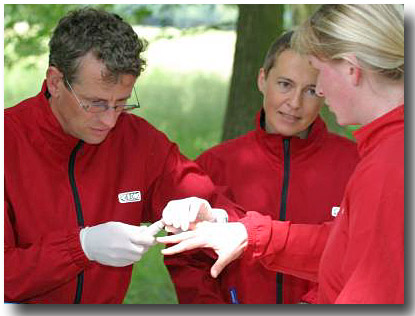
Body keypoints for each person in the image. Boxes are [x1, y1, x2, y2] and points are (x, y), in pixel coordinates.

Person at [158, 4, 404, 304]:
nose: (320, 92)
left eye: (317, 80)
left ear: (351, 69)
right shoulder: (387, 153)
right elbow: (343, 247)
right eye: (285, 84)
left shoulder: (388, 165)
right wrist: (246, 234)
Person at [4, 7, 243, 304]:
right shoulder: (9, 141)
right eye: (95, 103)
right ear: (55, 81)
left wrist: (210, 214)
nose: (110, 121)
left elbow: (222, 209)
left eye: (121, 104)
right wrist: (82, 247)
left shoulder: (137, 140)